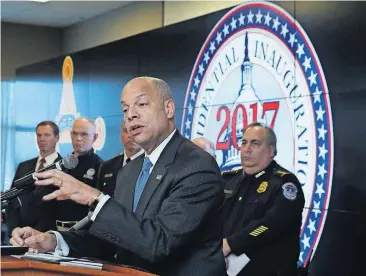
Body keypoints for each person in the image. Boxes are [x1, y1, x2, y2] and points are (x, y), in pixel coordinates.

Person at [11, 77, 226, 276]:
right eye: (125, 109)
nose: (130, 114)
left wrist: (96, 199)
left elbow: (160, 244)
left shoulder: (197, 165)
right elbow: (115, 238)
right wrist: (52, 240)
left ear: (168, 108)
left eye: (141, 104)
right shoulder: (131, 171)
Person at [222, 122, 305, 276]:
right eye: (244, 142)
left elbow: (271, 224)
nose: (247, 149)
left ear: (271, 151)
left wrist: (230, 245)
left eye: (255, 143)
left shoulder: (284, 183)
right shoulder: (230, 180)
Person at [6, 121, 62, 235]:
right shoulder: (23, 166)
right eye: (39, 135)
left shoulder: (65, 169)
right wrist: (14, 230)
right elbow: (12, 200)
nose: (42, 139)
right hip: (19, 236)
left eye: (47, 135)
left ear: (57, 138)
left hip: (47, 236)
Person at [54, 117, 103, 231]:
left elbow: (101, 205)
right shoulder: (60, 164)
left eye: (84, 134)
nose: (78, 138)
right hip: (57, 230)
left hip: (85, 232)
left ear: (95, 137)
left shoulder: (101, 166)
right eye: (75, 134)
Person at [96, 121, 143, 196]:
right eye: (126, 131)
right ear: (120, 134)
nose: (130, 135)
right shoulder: (107, 167)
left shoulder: (151, 165)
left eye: (135, 130)